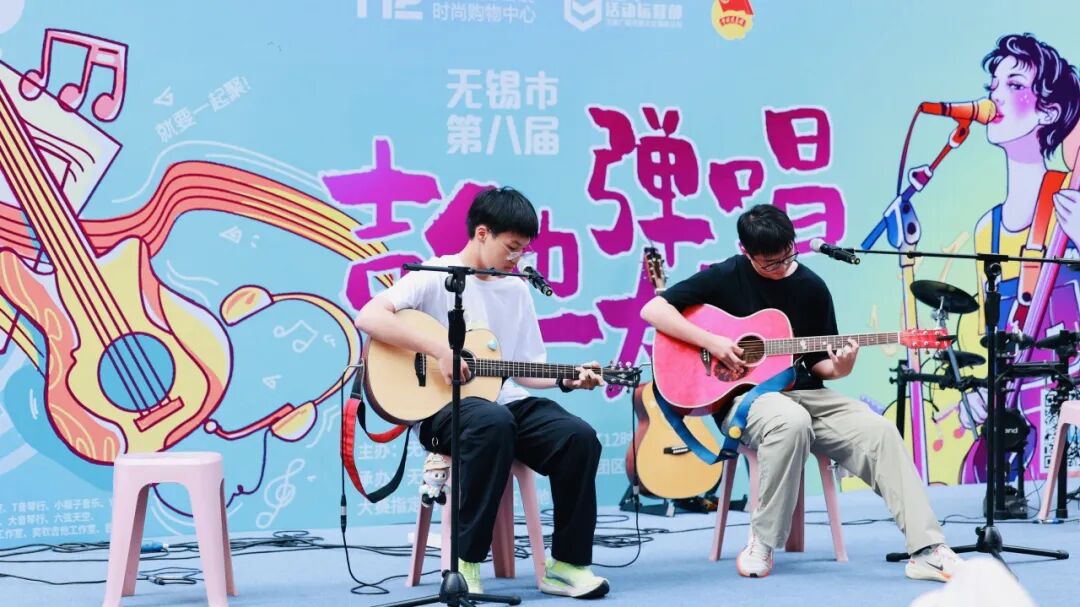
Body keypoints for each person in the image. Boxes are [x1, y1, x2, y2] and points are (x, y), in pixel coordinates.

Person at [639, 204, 963, 581]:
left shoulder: (811, 287)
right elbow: (654, 310)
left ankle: (927, 549)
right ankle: (762, 541)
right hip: (747, 400)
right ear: (746, 252)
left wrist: (842, 366)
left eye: (787, 255)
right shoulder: (727, 275)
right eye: (770, 263)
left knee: (880, 430)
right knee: (790, 421)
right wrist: (713, 342)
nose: (781, 267)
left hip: (806, 394)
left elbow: (820, 365)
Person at [355, 187, 610, 598]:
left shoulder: (516, 289)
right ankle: (466, 564)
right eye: (511, 247)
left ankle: (568, 564)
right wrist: (440, 350)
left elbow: (527, 367)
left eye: (524, 250)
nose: (517, 258)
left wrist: (568, 378)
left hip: (504, 403)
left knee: (578, 437)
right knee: (493, 423)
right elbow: (369, 316)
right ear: (482, 233)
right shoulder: (434, 275)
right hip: (441, 412)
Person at [957, 33, 1080, 483]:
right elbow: (988, 335)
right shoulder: (986, 229)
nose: (995, 95)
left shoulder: (1072, 200)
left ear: (1048, 111)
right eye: (994, 84)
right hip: (1015, 416)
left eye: (1014, 85)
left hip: (1067, 399)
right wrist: (977, 392)